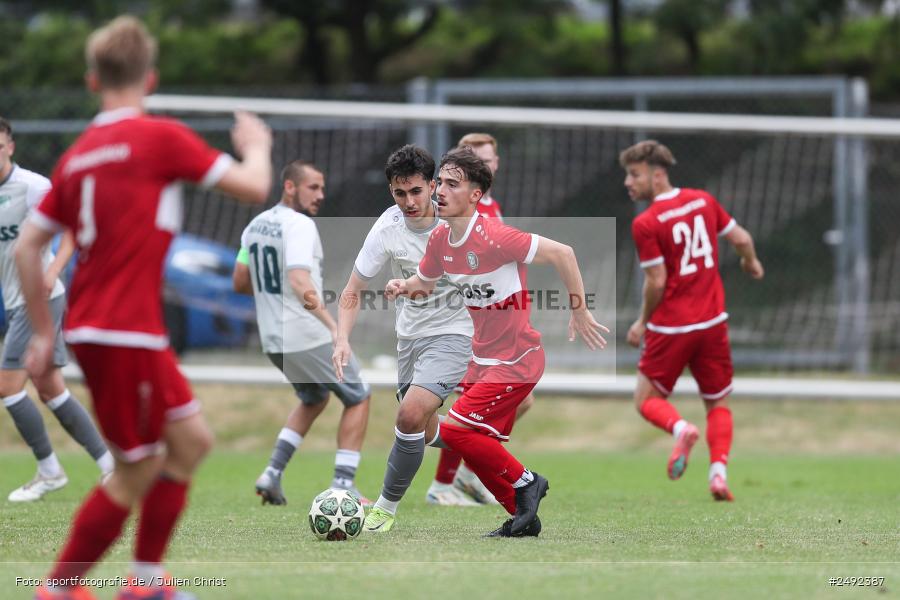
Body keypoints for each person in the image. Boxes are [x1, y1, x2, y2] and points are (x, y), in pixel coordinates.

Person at [18, 16, 272, 600]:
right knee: (137, 466)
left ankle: (147, 583)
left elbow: (32, 246)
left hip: (111, 328)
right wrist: (256, 147)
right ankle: (60, 588)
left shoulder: (77, 155)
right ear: (150, 77)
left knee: (191, 443)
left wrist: (39, 332)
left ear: (91, 81)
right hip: (122, 331)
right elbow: (254, 186)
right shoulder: (159, 137)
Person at [384, 146, 608, 537]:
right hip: (483, 360)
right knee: (469, 442)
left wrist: (579, 310)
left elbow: (564, 253)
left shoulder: (494, 235)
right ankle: (524, 518)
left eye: (453, 184)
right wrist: (404, 286)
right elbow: (425, 282)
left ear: (475, 195)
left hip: (517, 359)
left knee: (455, 433)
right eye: (443, 182)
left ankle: (526, 482)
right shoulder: (440, 239)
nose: (441, 191)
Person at [333, 144, 478, 534]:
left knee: (409, 414)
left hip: (455, 333)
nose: (410, 201)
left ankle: (383, 509)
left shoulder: (459, 222)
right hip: (410, 340)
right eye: (400, 193)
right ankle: (483, 442)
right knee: (425, 429)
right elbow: (353, 288)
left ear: (432, 185)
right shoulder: (387, 226)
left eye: (417, 191)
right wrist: (342, 339)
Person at [619, 140, 764, 502]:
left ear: (658, 174)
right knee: (718, 402)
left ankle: (681, 429)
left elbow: (657, 281)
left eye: (635, 174)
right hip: (713, 323)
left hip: (672, 327)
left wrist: (641, 322)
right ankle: (718, 474)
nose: (628, 182)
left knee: (645, 399)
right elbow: (742, 238)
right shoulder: (703, 200)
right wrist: (751, 262)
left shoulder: (646, 222)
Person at [233, 160, 372, 506]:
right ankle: (344, 486)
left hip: (272, 339)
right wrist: (334, 327)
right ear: (290, 187)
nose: (321, 195)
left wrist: (270, 297)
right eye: (313, 187)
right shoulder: (299, 226)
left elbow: (239, 280)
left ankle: (272, 473)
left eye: (323, 188)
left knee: (314, 398)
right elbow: (299, 280)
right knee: (359, 396)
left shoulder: (254, 226)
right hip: (306, 335)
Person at [0, 116, 113, 502]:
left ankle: (49, 470)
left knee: (8, 387)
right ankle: (109, 465)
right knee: (50, 389)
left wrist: (52, 269)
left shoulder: (33, 186)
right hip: (17, 301)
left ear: (10, 147)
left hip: (42, 297)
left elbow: (70, 229)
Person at [428, 133, 536, 506]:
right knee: (463, 413)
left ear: (496, 164)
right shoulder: (459, 214)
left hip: (503, 328)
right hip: (468, 327)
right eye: (475, 158)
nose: (484, 164)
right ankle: (446, 483)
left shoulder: (492, 208)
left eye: (488, 159)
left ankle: (469, 475)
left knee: (518, 403)